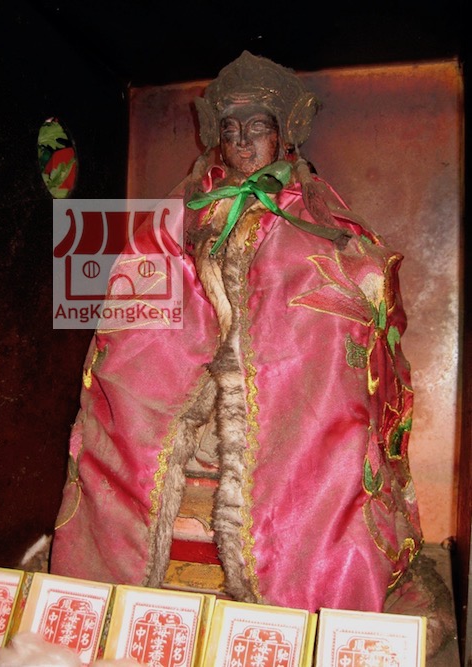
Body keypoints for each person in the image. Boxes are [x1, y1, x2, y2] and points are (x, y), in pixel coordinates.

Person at [50, 51, 425, 616]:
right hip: (189, 379)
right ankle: (120, 565)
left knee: (334, 402)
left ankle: (296, 579)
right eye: (231, 130)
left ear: (283, 135)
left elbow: (345, 272)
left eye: (257, 128)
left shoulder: (308, 209)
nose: (244, 142)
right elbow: (142, 279)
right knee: (125, 378)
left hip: (283, 385)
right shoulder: (189, 205)